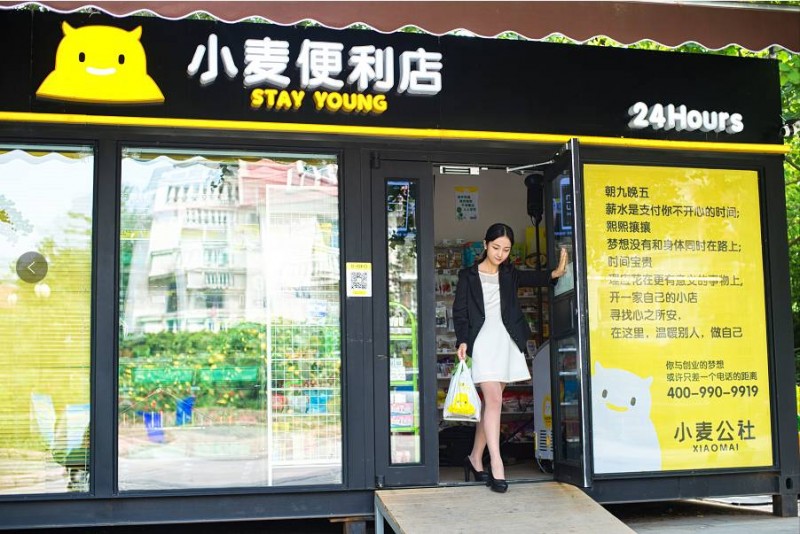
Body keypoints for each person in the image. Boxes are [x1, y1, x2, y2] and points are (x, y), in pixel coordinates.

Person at [452, 222, 568, 493]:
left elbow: (536, 278)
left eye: (505, 250)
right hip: (481, 342)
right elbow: (460, 312)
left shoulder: (509, 273)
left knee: (491, 405)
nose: (500, 254)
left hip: (506, 342)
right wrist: (462, 341)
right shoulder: (467, 275)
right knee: (493, 400)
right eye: (496, 247)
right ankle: (497, 463)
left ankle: (474, 458)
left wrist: (557, 272)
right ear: (485, 244)